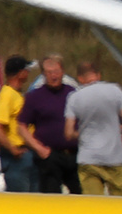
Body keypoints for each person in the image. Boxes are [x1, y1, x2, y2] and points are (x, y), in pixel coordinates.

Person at [65, 60, 122, 197]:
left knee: (93, 204)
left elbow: (68, 133)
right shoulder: (115, 90)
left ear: (80, 78)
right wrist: (116, 128)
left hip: (88, 158)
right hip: (114, 157)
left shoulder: (74, 98)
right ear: (98, 75)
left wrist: (84, 134)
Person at [19, 54, 80, 194]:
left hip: (74, 155)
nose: (54, 76)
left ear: (63, 72)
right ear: (43, 74)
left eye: (57, 72)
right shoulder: (35, 97)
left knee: (80, 195)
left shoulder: (73, 94)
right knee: (51, 197)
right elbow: (21, 126)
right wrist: (39, 148)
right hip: (49, 156)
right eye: (49, 72)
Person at [0, 55, 38, 192]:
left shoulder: (17, 94)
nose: (28, 74)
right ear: (20, 73)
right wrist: (14, 150)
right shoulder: (8, 95)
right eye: (26, 70)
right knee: (23, 200)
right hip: (18, 158)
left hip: (27, 154)